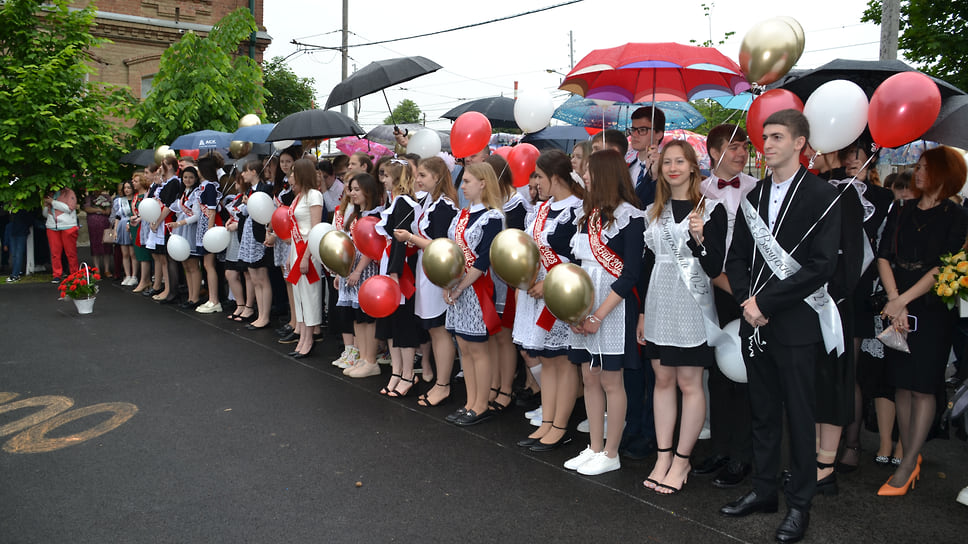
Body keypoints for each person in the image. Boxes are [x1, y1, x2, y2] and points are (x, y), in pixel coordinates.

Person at [720, 109, 841, 544]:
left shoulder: (823, 194)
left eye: (776, 137)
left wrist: (764, 302)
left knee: (800, 415)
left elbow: (821, 266)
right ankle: (765, 491)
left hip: (796, 323)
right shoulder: (752, 196)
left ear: (799, 143)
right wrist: (744, 302)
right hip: (755, 321)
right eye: (764, 137)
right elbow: (735, 258)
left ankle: (800, 505)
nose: (766, 144)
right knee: (764, 411)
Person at [875, 146, 968, 496]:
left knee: (923, 385)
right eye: (919, 166)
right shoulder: (902, 209)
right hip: (897, 299)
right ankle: (906, 457)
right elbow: (884, 255)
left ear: (945, 173)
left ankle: (910, 459)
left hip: (929, 306)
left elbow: (945, 265)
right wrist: (893, 299)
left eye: (927, 168)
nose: (919, 172)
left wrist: (902, 301)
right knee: (901, 382)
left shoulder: (956, 216)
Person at [639, 140, 728, 495]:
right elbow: (647, 264)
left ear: (694, 166)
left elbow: (714, 266)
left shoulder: (711, 209)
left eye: (680, 161)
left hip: (692, 303)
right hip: (660, 300)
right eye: (667, 162)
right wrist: (643, 313)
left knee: (689, 383)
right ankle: (662, 456)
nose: (673, 167)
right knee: (662, 380)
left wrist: (699, 238)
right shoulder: (652, 211)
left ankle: (682, 459)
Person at [564, 149, 645, 476]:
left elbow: (630, 275)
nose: (584, 176)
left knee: (612, 379)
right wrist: (577, 309)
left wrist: (599, 314)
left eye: (590, 171)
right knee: (589, 376)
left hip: (614, 306)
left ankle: (611, 451)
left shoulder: (631, 216)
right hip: (586, 304)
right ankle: (594, 446)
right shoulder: (587, 215)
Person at [691, 124, 758, 489]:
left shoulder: (755, 189)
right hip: (712, 289)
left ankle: (743, 454)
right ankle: (719, 446)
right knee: (717, 373)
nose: (741, 153)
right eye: (733, 146)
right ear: (714, 152)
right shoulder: (699, 191)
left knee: (744, 372)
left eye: (744, 147)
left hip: (747, 289)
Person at [512, 150, 584, 451]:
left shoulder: (579, 209)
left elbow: (581, 260)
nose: (535, 182)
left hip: (559, 296)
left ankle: (560, 426)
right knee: (547, 360)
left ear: (555, 177)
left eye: (539, 176)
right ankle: (547, 421)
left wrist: (549, 283)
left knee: (562, 362)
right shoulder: (542, 209)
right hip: (535, 295)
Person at [833, 139, 895, 475]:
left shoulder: (883, 199)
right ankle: (822, 440)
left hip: (857, 294)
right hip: (827, 290)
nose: (851, 162)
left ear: (873, 158)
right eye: (848, 157)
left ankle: (852, 443)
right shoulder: (831, 187)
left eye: (858, 156)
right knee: (827, 370)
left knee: (850, 372)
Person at [393, 157, 460, 407]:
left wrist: (410, 237)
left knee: (439, 330)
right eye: (417, 175)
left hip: (437, 272)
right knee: (433, 329)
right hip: (425, 270)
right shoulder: (429, 203)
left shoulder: (444, 207)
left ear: (437, 177)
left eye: (422, 175)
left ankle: (443, 384)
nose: (417, 179)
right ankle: (439, 383)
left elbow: (442, 246)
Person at [442, 162, 505, 426]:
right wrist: (448, 284)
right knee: (464, 348)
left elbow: (482, 261)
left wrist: (459, 287)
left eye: (467, 181)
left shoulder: (493, 217)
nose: (462, 185)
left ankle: (481, 404)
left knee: (478, 349)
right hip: (458, 289)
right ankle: (470, 401)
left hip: (476, 288)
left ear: (484, 183)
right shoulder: (461, 215)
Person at [486, 153, 529, 414]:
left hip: (508, 278)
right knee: (493, 334)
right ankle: (493, 384)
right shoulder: (494, 201)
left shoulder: (516, 204)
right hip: (490, 276)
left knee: (504, 336)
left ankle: (505, 388)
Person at [376, 160, 422, 395]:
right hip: (390, 265)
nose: (382, 179)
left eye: (386, 175)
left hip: (401, 269)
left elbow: (400, 240)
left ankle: (408, 374)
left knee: (403, 324)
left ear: (396, 178)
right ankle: (396, 371)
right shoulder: (393, 201)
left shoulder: (404, 203)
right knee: (391, 324)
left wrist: (395, 273)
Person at [339, 173, 385, 379]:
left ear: (368, 190)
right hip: (351, 272)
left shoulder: (375, 214)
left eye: (357, 189)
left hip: (365, 272)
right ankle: (362, 357)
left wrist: (358, 270)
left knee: (368, 317)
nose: (353, 193)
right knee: (357, 318)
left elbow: (372, 247)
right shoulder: (356, 214)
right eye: (351, 189)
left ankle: (371, 360)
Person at [285, 158, 324, 358]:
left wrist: (305, 256)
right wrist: (291, 256)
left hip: (308, 252)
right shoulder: (298, 196)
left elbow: (315, 229)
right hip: (296, 249)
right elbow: (294, 228)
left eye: (293, 173)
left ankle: (309, 339)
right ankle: (302, 337)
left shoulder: (314, 196)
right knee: (299, 295)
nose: (290, 176)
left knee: (310, 296)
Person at [237, 160, 274, 330]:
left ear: (253, 171)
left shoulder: (265, 189)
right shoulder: (249, 190)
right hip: (249, 234)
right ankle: (259, 314)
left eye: (245, 171)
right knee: (253, 276)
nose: (243, 175)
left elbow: (266, 211)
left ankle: (265, 316)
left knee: (261, 277)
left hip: (259, 235)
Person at [166, 166, 203, 309]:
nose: (188, 180)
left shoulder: (196, 193)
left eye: (191, 177)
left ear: (195, 179)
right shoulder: (183, 193)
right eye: (185, 177)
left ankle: (195, 297)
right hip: (180, 229)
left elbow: (196, 215)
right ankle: (190, 296)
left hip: (190, 229)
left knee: (193, 265)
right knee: (185, 265)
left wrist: (180, 222)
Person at [194, 152, 225, 314]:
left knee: (209, 264)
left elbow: (212, 211)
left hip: (208, 227)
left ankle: (215, 300)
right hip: (203, 226)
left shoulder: (211, 186)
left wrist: (209, 233)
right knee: (206, 265)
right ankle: (211, 298)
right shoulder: (205, 186)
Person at [628, 106, 666, 208]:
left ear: (658, 134)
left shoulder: (668, 167)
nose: (634, 135)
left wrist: (655, 177)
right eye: (633, 129)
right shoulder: (627, 167)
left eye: (642, 130)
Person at [43, 187, 78, 283]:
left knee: (70, 253)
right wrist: (46, 205)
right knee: (55, 253)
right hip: (52, 226)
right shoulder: (49, 193)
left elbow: (69, 208)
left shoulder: (69, 192)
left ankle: (74, 273)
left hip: (68, 226)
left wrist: (53, 202)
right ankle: (57, 274)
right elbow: (45, 214)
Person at [129, 172, 153, 293]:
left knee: (144, 255)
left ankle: (145, 280)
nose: (133, 183)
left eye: (136, 181)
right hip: (135, 226)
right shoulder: (136, 195)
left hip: (143, 227)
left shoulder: (147, 194)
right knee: (138, 254)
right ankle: (144, 279)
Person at [83, 186, 114, 278]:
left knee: (106, 245)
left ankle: (107, 269)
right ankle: (97, 270)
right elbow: (87, 208)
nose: (97, 190)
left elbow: (109, 210)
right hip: (93, 225)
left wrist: (105, 210)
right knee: (95, 245)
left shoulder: (107, 197)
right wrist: (99, 209)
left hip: (104, 224)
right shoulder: (89, 198)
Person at [112, 180, 138, 286]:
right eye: (125, 188)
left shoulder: (135, 199)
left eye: (129, 187)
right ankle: (127, 275)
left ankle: (134, 275)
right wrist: (115, 230)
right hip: (122, 226)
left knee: (133, 253)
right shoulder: (119, 201)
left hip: (131, 224)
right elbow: (117, 216)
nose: (126, 190)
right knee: (125, 253)